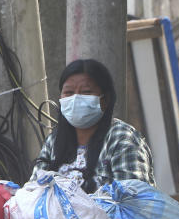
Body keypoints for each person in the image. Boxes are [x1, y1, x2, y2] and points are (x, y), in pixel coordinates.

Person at [32, 59, 155, 192]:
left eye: (86, 92)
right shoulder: (54, 141)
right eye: (68, 93)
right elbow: (34, 192)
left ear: (105, 99)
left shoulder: (122, 139)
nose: (76, 99)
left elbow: (132, 200)